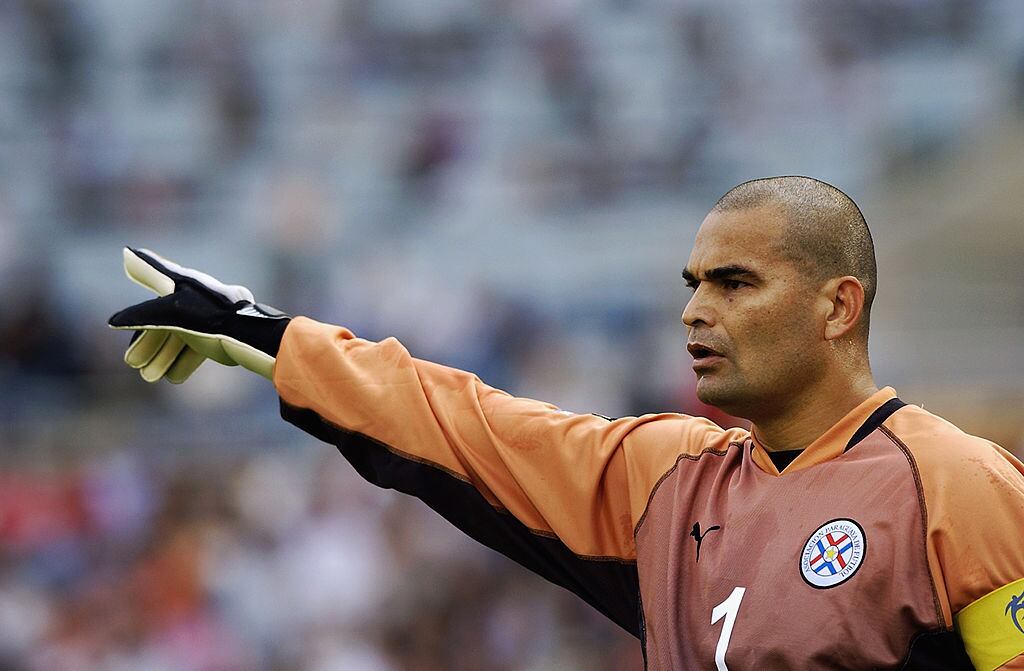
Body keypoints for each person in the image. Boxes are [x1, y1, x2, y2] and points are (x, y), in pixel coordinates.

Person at [109, 176, 1024, 670]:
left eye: (735, 282)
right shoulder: (668, 478)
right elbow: (462, 424)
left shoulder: (961, 490)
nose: (696, 310)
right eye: (691, 284)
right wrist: (259, 330)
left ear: (838, 306)